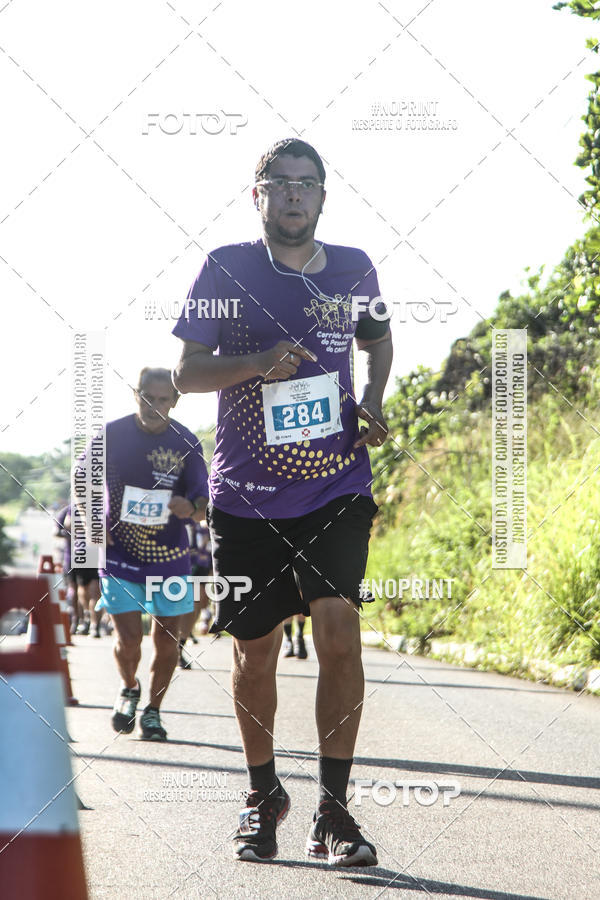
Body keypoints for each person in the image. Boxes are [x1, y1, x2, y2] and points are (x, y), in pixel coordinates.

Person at [172, 138, 392, 865]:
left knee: (339, 632)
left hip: (336, 484)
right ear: (257, 194)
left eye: (308, 184)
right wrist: (259, 363)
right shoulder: (224, 268)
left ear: (324, 196)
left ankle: (334, 811)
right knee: (254, 654)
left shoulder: (357, 267)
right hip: (247, 496)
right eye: (280, 184)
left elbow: (379, 338)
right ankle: (263, 792)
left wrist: (371, 396)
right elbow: (188, 373)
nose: (294, 195)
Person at [88, 367, 209, 741]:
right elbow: (82, 481)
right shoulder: (111, 435)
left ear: (174, 401)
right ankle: (129, 688)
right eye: (147, 397)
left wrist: (191, 507)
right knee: (128, 640)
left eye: (162, 400)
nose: (154, 406)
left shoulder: (186, 441)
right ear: (135, 394)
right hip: (120, 556)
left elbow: (204, 500)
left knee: (168, 640)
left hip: (170, 560)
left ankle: (153, 711)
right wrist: (94, 521)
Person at [177, 519, 214, 668]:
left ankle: (179, 646)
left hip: (201, 557)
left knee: (196, 603)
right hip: (177, 553)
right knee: (181, 601)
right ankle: (171, 645)